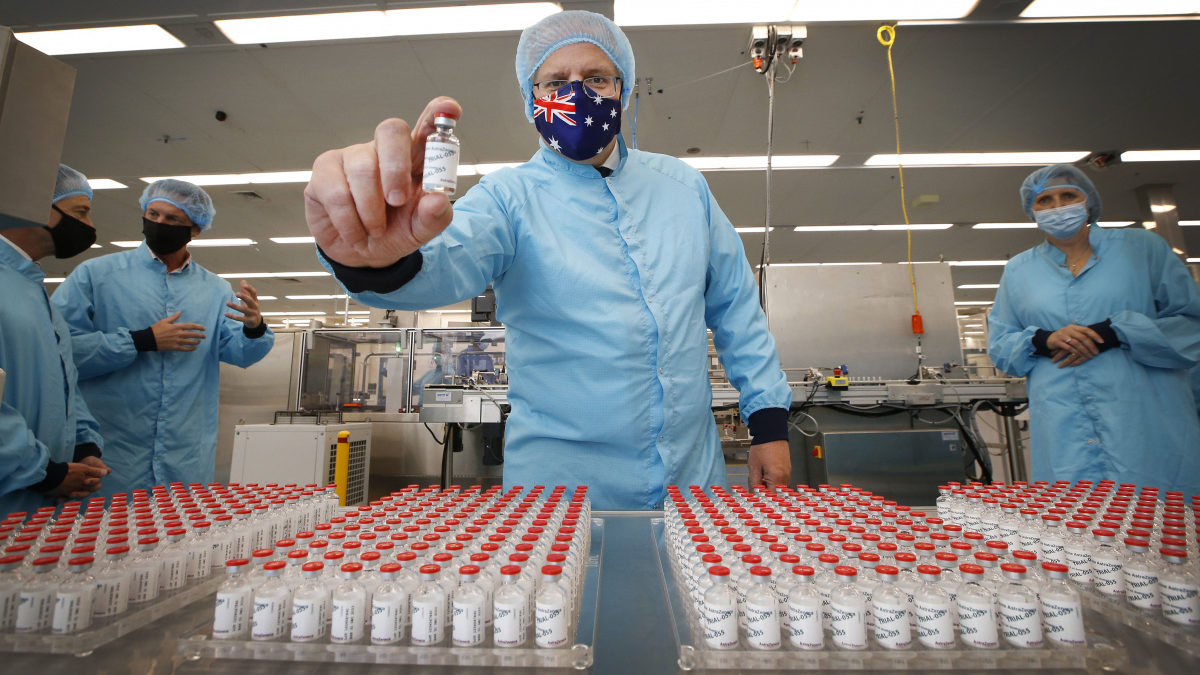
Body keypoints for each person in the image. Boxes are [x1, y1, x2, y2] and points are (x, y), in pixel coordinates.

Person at [302, 11, 792, 509]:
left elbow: (736, 310)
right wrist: (375, 259)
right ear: (531, 98)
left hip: (691, 482)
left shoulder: (683, 189)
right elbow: (442, 260)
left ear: (622, 89)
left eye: (596, 78)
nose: (578, 93)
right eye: (556, 82)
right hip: (560, 496)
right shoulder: (508, 199)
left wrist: (768, 423)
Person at [52, 179, 275, 495]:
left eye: (172, 219)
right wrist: (141, 340)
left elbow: (240, 353)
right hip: (110, 450)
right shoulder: (96, 276)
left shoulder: (214, 290)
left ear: (194, 229)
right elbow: (59, 353)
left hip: (185, 455)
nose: (159, 224)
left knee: (179, 535)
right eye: (153, 215)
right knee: (102, 538)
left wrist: (254, 327)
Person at [988, 164, 1200, 495]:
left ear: (1088, 202)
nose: (1058, 207)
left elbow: (1191, 322)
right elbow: (1001, 344)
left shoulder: (1142, 248)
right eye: (1045, 200)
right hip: (1064, 421)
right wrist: (1043, 340)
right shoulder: (1018, 270)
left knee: (1161, 521)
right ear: (1032, 210)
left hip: (1144, 415)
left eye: (1068, 196)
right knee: (1077, 522)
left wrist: (1117, 332)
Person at [0, 165, 109, 514]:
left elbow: (64, 385)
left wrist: (82, 447)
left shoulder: (37, 294)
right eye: (81, 212)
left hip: (37, 502)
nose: (89, 226)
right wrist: (44, 471)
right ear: (35, 205)